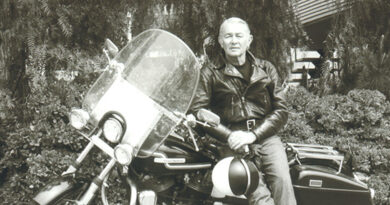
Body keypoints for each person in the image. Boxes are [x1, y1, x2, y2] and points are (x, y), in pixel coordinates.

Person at [189, 17, 296, 205]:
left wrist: (253, 135)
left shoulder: (266, 68)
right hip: (230, 141)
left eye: (239, 36)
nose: (234, 41)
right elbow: (199, 110)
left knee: (282, 181)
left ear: (249, 40)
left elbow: (281, 110)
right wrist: (229, 135)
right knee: (256, 191)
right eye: (228, 36)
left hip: (265, 136)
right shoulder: (210, 72)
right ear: (221, 42)